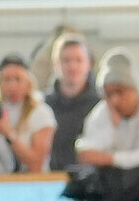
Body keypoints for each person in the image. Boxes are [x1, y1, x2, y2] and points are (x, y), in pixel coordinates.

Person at [37, 32, 97, 171]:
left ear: (89, 64)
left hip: (90, 180)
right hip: (50, 178)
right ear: (55, 64)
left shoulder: (101, 106)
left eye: (78, 60)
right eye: (66, 60)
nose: (72, 66)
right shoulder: (42, 106)